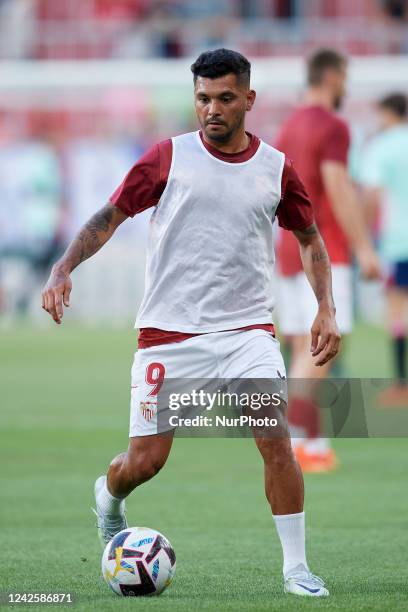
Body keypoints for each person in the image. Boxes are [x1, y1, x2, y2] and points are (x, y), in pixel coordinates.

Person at [42, 48, 340, 597]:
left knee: (275, 438)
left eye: (225, 98)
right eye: (203, 98)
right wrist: (63, 268)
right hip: (168, 334)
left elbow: (310, 238)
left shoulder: (275, 168)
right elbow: (110, 216)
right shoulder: (166, 158)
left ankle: (296, 568)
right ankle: (109, 498)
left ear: (249, 100)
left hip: (247, 331)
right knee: (144, 462)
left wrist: (326, 306)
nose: (212, 109)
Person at [275, 48, 380, 472]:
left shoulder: (289, 125)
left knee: (304, 343)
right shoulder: (334, 126)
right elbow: (337, 189)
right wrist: (365, 247)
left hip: (288, 247)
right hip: (324, 250)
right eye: (345, 76)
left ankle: (312, 442)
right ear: (333, 76)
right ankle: (295, 440)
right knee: (323, 348)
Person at [361, 93, 408, 405]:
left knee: (397, 310)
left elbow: (372, 195)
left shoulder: (381, 147)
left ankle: (401, 385)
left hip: (398, 239)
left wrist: (363, 238)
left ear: (388, 113)